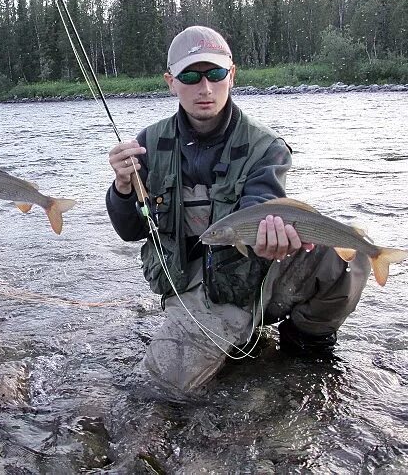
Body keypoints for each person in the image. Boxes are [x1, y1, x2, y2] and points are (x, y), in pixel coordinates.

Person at [106, 26, 369, 393]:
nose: (205, 88)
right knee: (163, 390)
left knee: (350, 253)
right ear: (171, 82)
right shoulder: (148, 145)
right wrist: (121, 189)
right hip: (191, 288)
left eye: (215, 74)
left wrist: (271, 241)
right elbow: (130, 231)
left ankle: (305, 345)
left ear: (232, 75)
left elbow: (258, 208)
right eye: (191, 77)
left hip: (254, 270)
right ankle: (231, 335)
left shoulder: (266, 147)